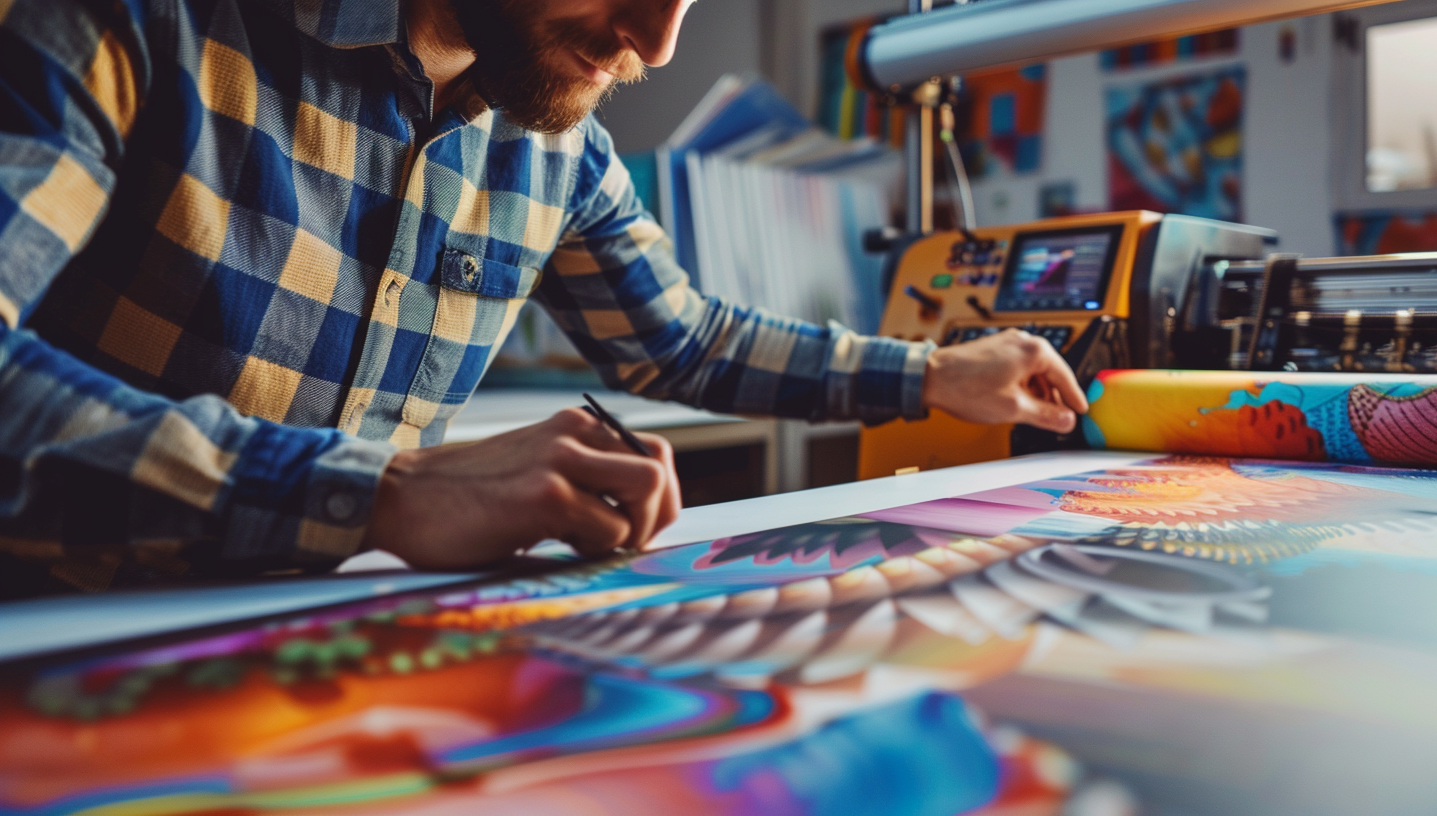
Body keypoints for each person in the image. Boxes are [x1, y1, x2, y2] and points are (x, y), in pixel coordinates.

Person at [0, 0, 1087, 597]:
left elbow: (682, 341)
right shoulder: (127, 27)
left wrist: (936, 372)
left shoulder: (559, 155)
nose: (654, 42)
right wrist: (376, 492)